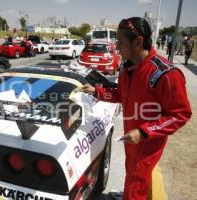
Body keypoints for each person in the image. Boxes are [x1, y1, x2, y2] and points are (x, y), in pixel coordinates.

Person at [81, 17, 192, 200]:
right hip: (131, 138)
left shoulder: (165, 74)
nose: (116, 46)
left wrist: (144, 132)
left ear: (138, 42)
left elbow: (181, 114)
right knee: (131, 175)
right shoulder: (128, 68)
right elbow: (121, 95)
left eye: (121, 42)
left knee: (135, 187)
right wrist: (97, 92)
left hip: (147, 143)